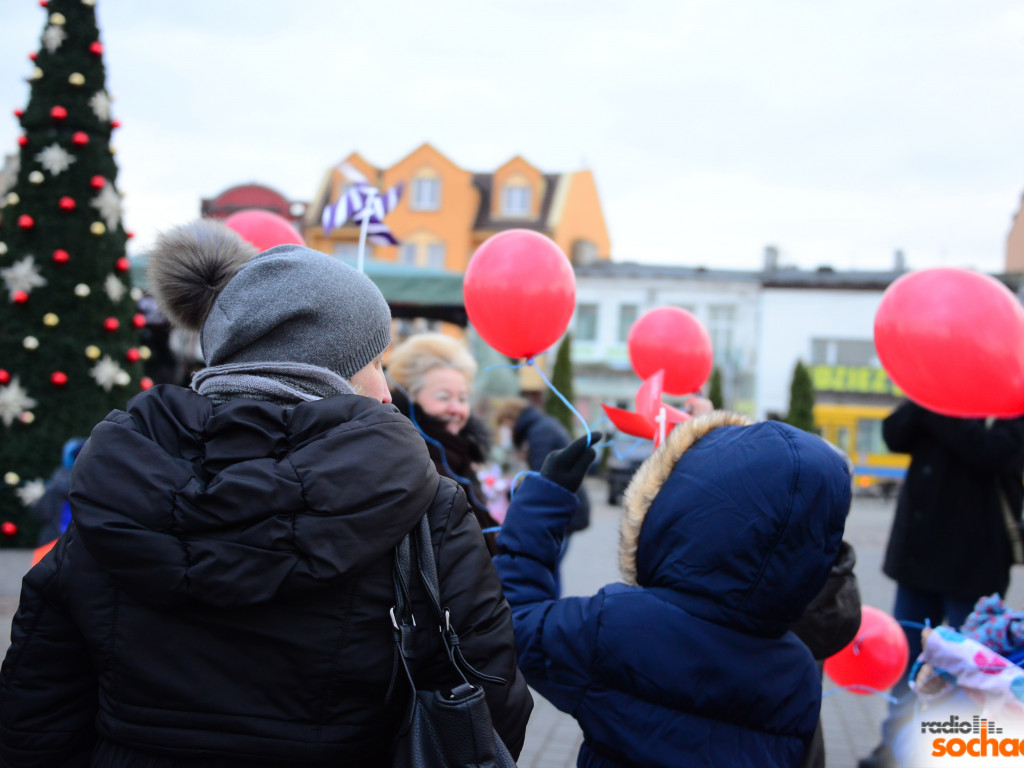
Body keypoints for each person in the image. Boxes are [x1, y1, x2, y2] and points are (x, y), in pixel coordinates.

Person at [0, 220, 532, 766]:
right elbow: (488, 706)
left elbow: (37, 709)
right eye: (376, 363)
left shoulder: (118, 480)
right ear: (330, 371)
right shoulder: (423, 504)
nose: (386, 389)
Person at [495, 411, 852, 768]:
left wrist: (541, 502)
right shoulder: (799, 672)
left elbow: (514, 624)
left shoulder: (617, 625)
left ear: (683, 506)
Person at [860, 400, 1024, 768]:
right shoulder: (936, 393)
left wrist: (944, 410)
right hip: (919, 558)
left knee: (973, 666)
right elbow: (894, 434)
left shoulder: (1009, 402)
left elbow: (993, 453)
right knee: (908, 660)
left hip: (975, 563)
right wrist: (928, 398)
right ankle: (895, 743)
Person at [386, 332, 501, 553]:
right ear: (409, 401)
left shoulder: (461, 457)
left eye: (462, 398)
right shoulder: (407, 465)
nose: (456, 409)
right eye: (443, 397)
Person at [29, 437, 85, 546]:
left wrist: (35, 501)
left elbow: (43, 513)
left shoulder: (57, 483)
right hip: (82, 542)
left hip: (52, 542)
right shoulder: (96, 484)